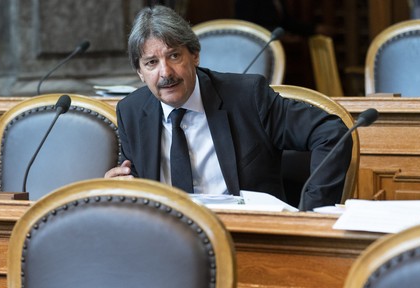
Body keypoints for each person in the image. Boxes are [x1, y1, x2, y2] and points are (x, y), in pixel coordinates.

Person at [105, 5, 352, 211]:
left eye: (174, 56)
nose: (165, 73)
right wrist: (120, 186)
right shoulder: (131, 112)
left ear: (195, 56)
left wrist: (311, 214)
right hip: (168, 240)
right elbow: (136, 181)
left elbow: (332, 133)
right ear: (140, 72)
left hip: (248, 237)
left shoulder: (247, 97)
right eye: (151, 63)